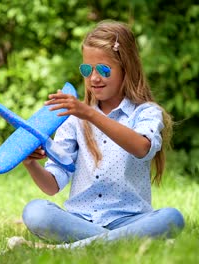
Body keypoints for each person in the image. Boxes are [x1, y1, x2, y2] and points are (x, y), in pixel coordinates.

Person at [9, 20, 184, 249]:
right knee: (35, 212)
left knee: (172, 217)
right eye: (86, 69)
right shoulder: (73, 119)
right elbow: (52, 186)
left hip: (131, 219)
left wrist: (89, 114)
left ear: (126, 69)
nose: (93, 78)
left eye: (103, 69)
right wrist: (30, 163)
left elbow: (141, 147)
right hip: (80, 219)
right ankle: (123, 242)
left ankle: (61, 251)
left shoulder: (147, 113)